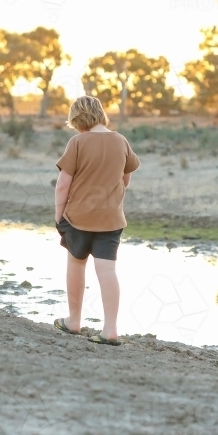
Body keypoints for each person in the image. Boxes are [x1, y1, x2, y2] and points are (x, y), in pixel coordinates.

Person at [53, 95, 140, 345]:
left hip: (78, 217)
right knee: (108, 271)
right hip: (111, 219)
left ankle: (74, 321)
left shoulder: (77, 142)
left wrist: (59, 216)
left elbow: (63, 186)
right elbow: (126, 178)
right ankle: (110, 329)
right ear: (101, 113)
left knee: (76, 264)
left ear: (77, 119)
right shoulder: (121, 140)